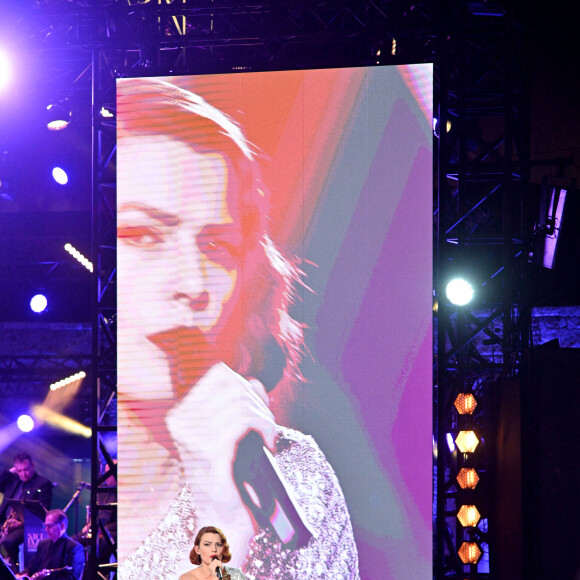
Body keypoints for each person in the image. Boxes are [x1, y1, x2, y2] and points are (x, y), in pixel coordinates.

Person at [116, 78, 359, 578]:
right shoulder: (35, 480)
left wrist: (224, 520)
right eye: (141, 235)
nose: (192, 283)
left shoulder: (296, 477)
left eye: (214, 247)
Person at [0, 454, 52, 567]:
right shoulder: (12, 480)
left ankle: (14, 568)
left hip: (26, 525)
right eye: (19, 471)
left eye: (26, 469)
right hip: (5, 522)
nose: (23, 474)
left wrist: (19, 523)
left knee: (9, 541)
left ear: (32, 466)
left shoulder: (43, 483)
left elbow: (43, 510)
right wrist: (10, 472)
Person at [16, 509, 84, 580]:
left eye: (50, 526)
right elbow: (31, 567)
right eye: (45, 526)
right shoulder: (43, 544)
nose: (46, 530)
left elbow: (71, 577)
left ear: (62, 526)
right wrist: (19, 575)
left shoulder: (74, 547)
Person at [179, 526, 248, 580]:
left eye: (218, 544)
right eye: (207, 544)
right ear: (197, 550)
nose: (214, 549)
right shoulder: (187, 578)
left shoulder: (236, 575)